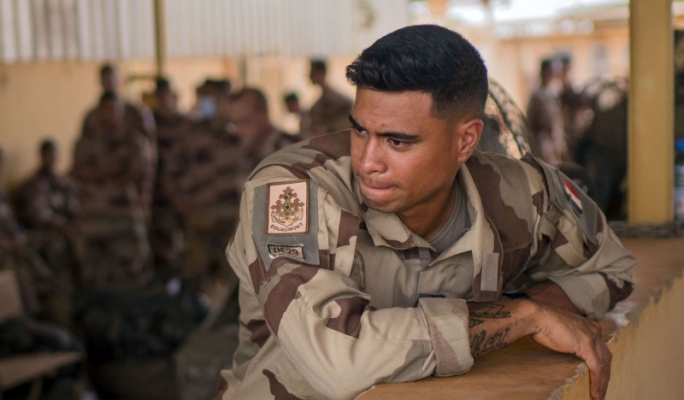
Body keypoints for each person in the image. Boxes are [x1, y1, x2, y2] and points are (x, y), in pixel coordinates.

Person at [215, 25, 635, 400]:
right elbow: (339, 364)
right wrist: (519, 318)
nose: (367, 161)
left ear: (465, 141)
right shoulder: (291, 191)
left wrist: (525, 308)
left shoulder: (521, 192)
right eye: (360, 130)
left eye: (397, 141)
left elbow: (613, 268)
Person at [71, 93, 155, 290]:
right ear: (99, 112)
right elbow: (79, 171)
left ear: (122, 112)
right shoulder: (87, 141)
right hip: (94, 213)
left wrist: (99, 174)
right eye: (106, 109)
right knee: (92, 269)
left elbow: (137, 171)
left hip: (124, 213)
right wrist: (115, 169)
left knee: (132, 266)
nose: (110, 114)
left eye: (114, 110)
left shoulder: (133, 139)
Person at [18, 139, 79, 324]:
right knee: (57, 245)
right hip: (44, 232)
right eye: (48, 155)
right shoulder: (35, 184)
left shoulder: (64, 182)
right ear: (42, 156)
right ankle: (60, 297)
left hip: (66, 229)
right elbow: (39, 216)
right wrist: (63, 227)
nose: (51, 159)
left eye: (54, 155)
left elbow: (75, 208)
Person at [150, 77, 189, 270]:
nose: (163, 100)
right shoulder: (150, 122)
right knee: (160, 231)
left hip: (180, 186)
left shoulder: (184, 122)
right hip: (157, 188)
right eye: (160, 96)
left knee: (182, 231)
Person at [526, 59, 568, 165]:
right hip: (544, 143)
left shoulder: (552, 94)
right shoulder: (537, 96)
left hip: (554, 143)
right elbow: (531, 123)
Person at [308, 59, 354, 136]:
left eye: (313, 72)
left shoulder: (336, 98)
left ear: (321, 72)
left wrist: (330, 128)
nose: (310, 76)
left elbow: (349, 107)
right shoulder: (317, 104)